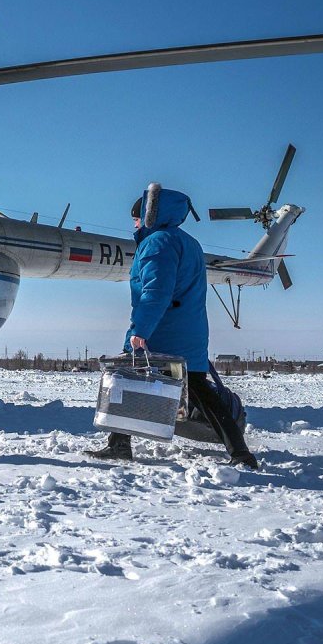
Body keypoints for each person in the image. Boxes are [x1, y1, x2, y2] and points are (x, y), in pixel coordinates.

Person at [86, 184, 260, 470]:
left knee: (129, 381)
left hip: (163, 331)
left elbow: (156, 292)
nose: (134, 223)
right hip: (188, 328)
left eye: (136, 216)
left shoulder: (158, 243)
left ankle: (240, 454)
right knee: (197, 390)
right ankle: (239, 452)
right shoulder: (188, 242)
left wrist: (140, 330)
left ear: (148, 214)